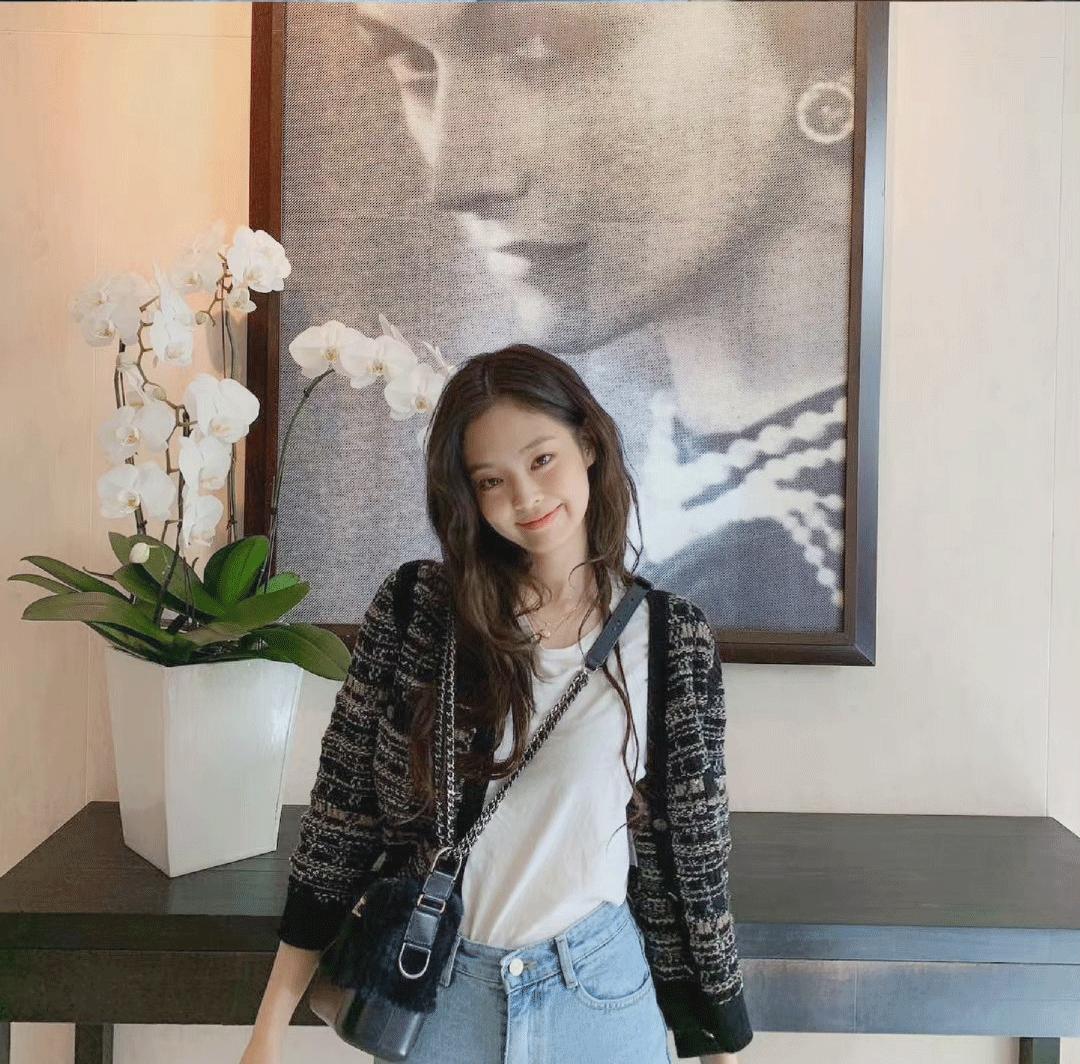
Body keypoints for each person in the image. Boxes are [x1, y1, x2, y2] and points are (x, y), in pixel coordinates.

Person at [240, 345, 753, 1063]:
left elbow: (689, 864)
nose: (526, 497)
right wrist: (267, 1029)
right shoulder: (418, 612)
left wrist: (721, 1051)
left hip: (598, 998)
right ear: (468, 496)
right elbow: (341, 820)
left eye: (542, 459)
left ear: (588, 445)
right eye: (492, 480)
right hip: (440, 996)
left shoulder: (671, 639)